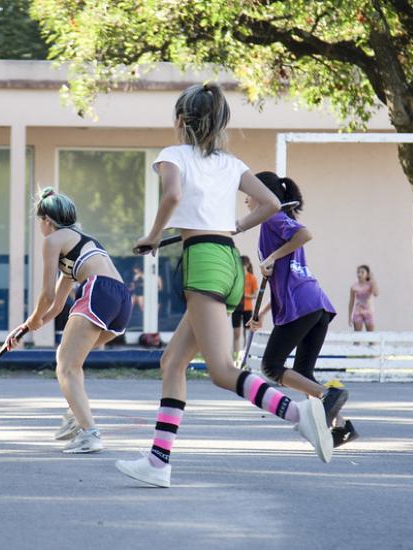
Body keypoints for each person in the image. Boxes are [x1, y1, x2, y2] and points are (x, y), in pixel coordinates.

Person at [115, 82, 343, 489]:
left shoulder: (173, 155)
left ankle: (299, 415)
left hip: (202, 260)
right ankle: (158, 461)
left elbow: (171, 196)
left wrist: (152, 236)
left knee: (221, 370)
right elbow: (272, 204)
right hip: (228, 261)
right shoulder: (232, 163)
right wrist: (235, 225)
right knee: (172, 362)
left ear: (181, 121)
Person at [6, 187, 132, 454]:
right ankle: (77, 413)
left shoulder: (53, 241)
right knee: (72, 362)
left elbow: (46, 293)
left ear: (46, 221)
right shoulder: (79, 243)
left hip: (99, 291)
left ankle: (89, 432)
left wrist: (30, 319)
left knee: (65, 366)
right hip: (121, 299)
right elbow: (57, 305)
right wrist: (27, 328)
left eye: (39, 221)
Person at [247, 172, 357, 448]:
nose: (246, 198)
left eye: (248, 192)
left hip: (301, 304)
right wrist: (261, 314)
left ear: (263, 195)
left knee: (271, 367)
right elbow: (281, 279)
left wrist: (271, 256)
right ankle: (341, 426)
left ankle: (329, 395)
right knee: (302, 375)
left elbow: (305, 234)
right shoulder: (274, 222)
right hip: (313, 302)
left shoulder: (272, 217)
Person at [231, 255, 258, 357]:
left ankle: (245, 356)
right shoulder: (235, 278)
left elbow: (255, 295)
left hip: (247, 308)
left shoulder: (252, 278)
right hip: (236, 308)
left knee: (246, 333)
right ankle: (236, 356)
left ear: (246, 265)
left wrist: (245, 295)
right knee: (236, 333)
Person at [349, 265, 379, 332]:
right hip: (358, 312)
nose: (360, 274)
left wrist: (373, 280)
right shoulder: (354, 286)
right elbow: (351, 302)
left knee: (371, 337)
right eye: (358, 272)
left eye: (362, 272)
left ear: (367, 274)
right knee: (357, 336)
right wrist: (349, 317)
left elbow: (376, 294)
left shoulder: (370, 284)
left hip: (369, 312)